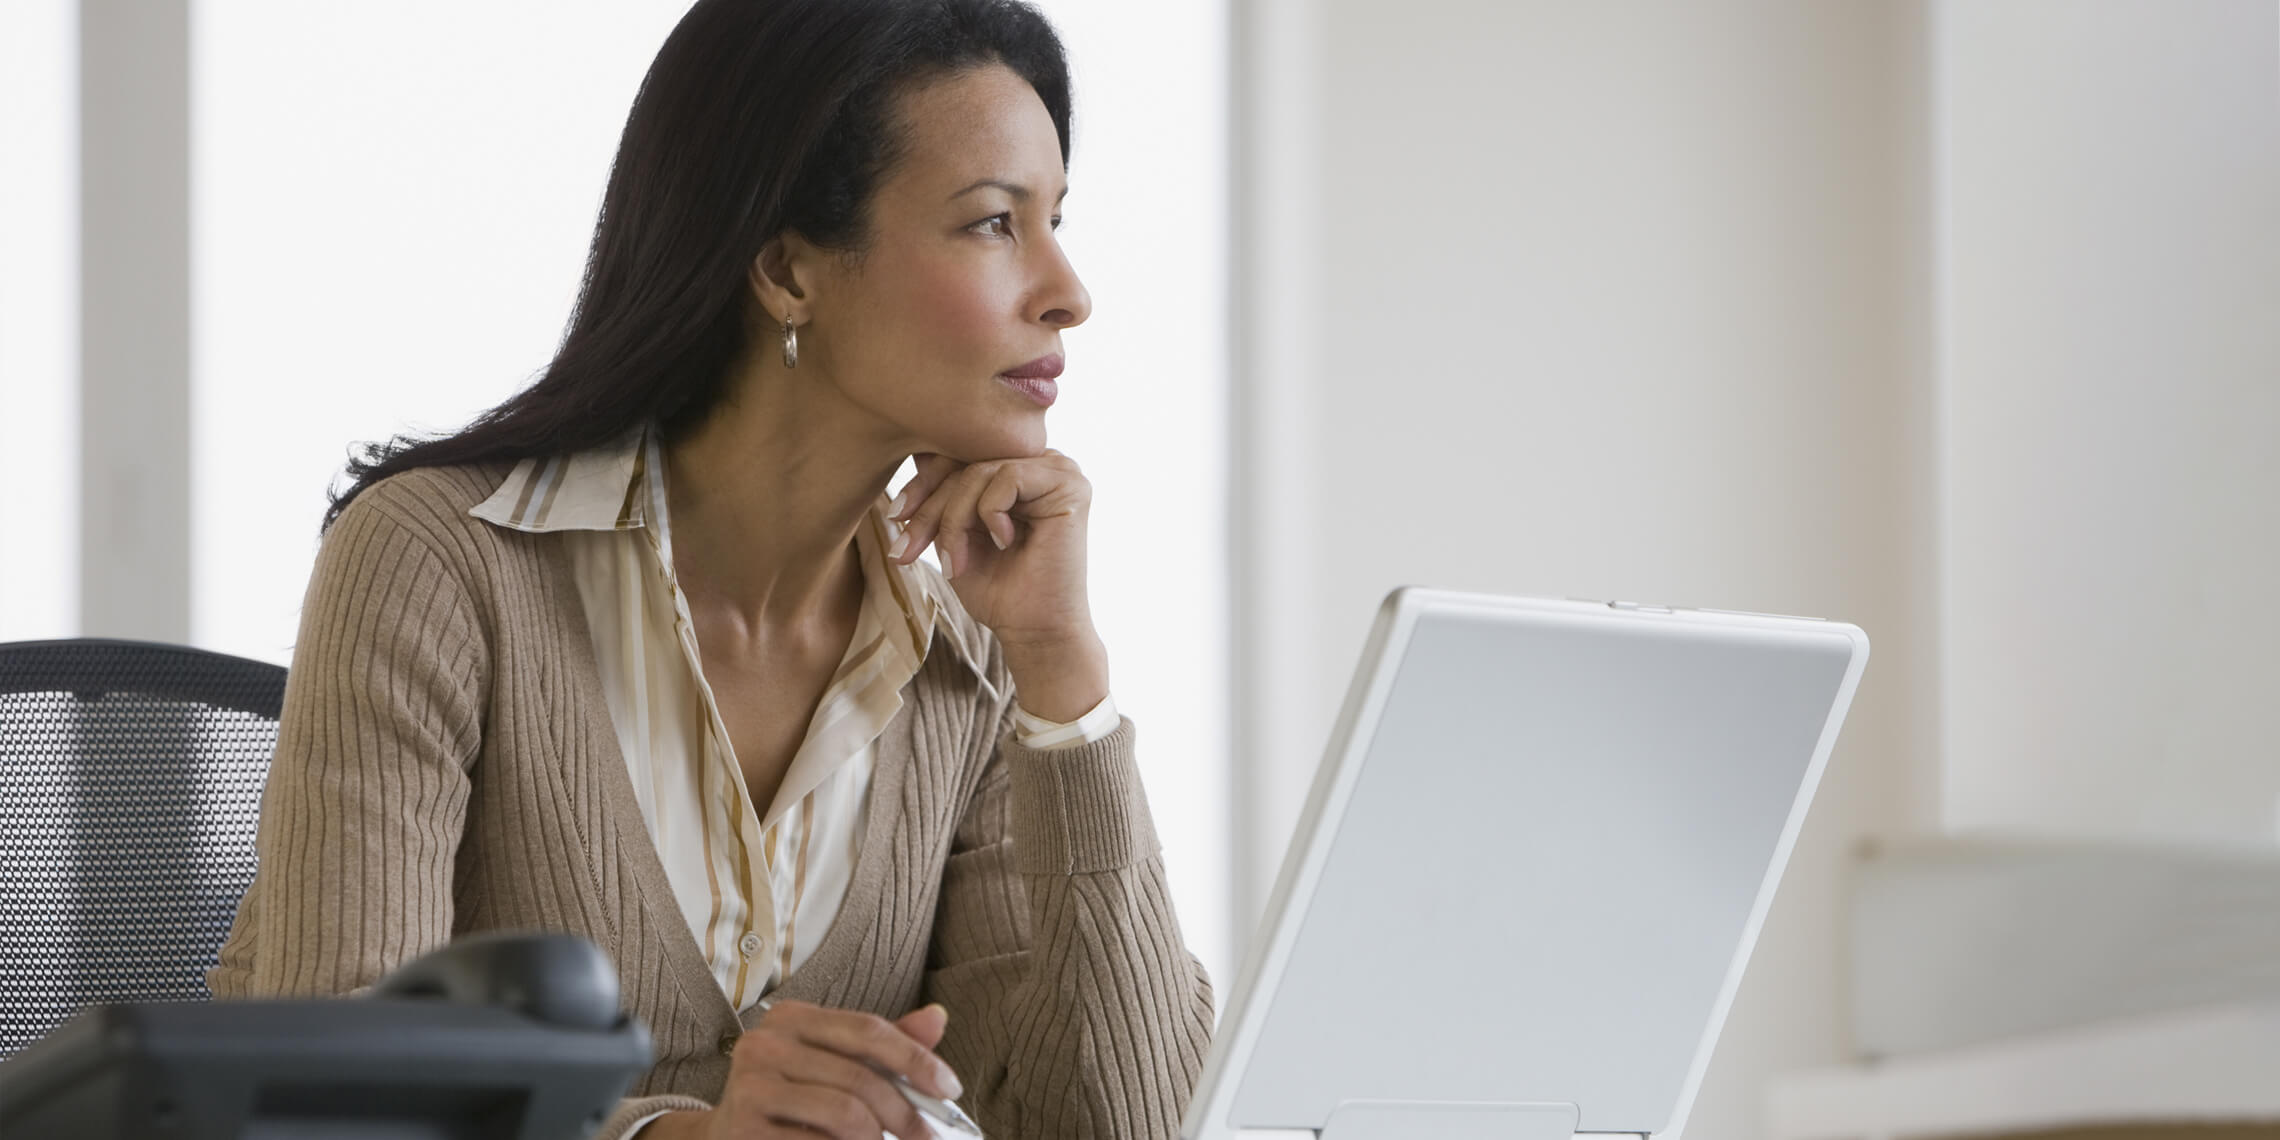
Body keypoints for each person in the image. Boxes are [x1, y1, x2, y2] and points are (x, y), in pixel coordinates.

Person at [205, 1, 1215, 1137]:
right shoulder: (441, 563)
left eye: (1055, 221)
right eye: (993, 223)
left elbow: (1132, 1120)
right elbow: (327, 1095)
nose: (1068, 291)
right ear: (787, 271)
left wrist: (1061, 676)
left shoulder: (969, 653)